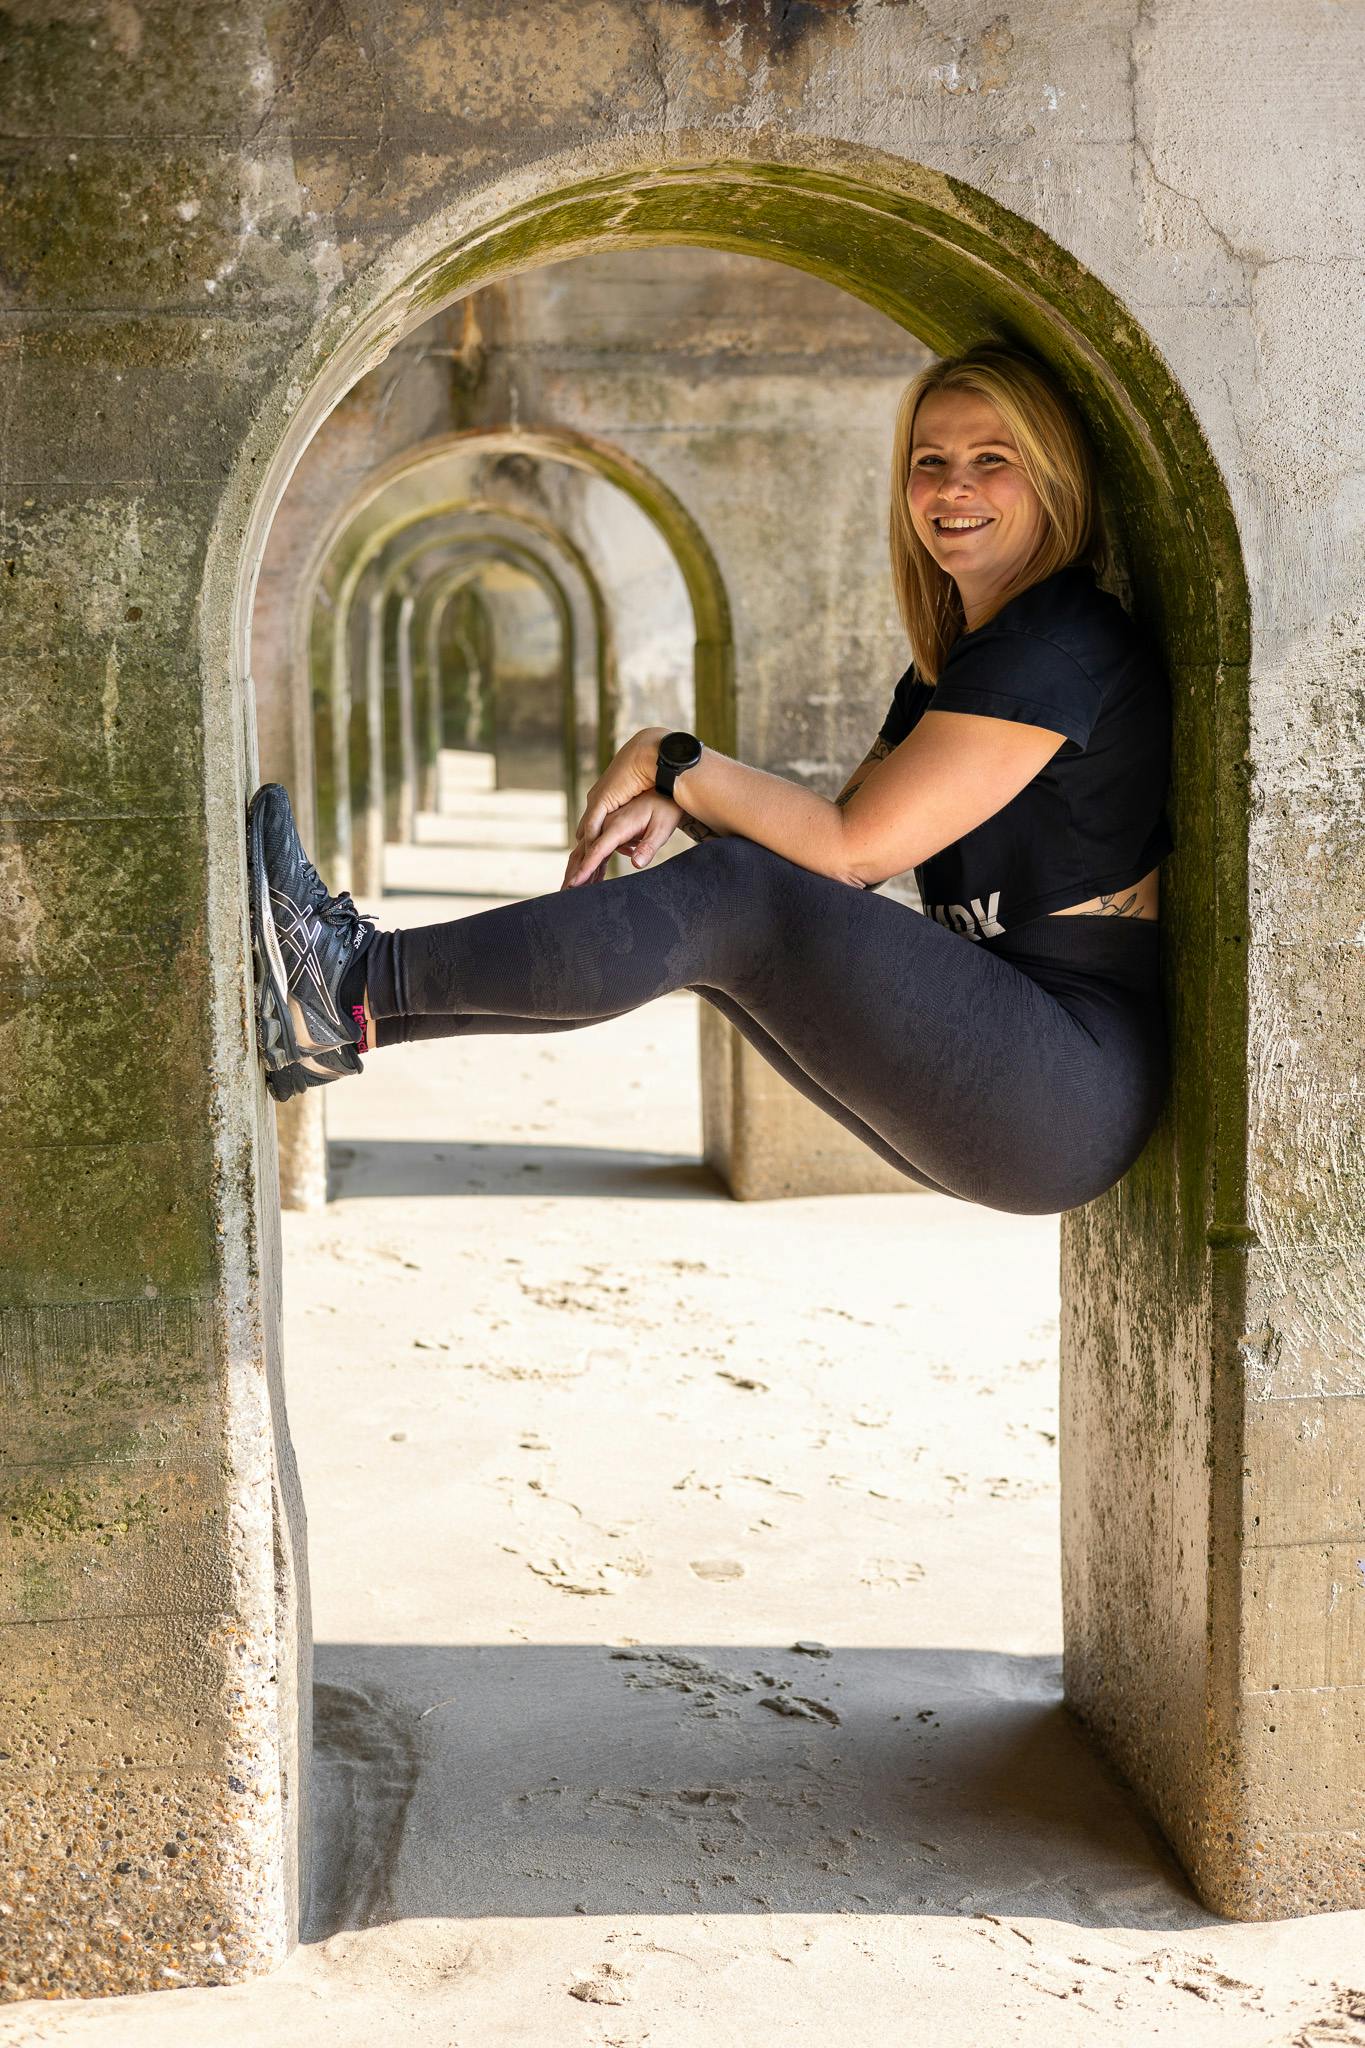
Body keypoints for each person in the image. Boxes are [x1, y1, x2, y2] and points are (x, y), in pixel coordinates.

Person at [246, 340, 1173, 1216]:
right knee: (735, 922)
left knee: (738, 900)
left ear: (1051, 479)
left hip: (1063, 1079)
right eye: (928, 462)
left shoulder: (1055, 648)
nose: (951, 487)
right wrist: (683, 810)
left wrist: (673, 759)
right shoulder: (966, 661)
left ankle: (351, 975)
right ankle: (352, 1017)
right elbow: (829, 847)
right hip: (1020, 1071)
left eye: (991, 459)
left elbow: (850, 853)